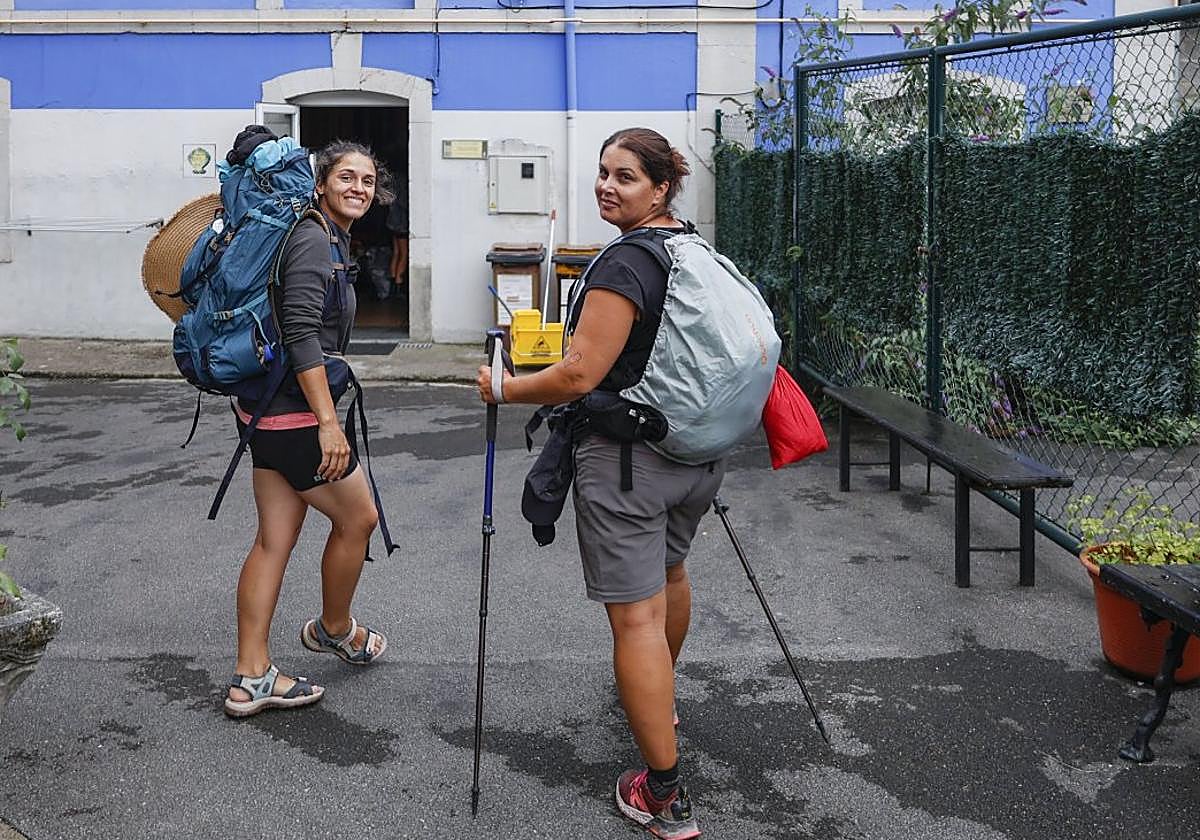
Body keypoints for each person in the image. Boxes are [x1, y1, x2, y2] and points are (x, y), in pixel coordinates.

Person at [476, 127, 714, 840]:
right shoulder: (692, 249)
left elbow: (579, 373)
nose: (608, 186)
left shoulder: (625, 266)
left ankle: (663, 795)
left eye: (626, 177)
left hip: (628, 461)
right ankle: (657, 701)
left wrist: (503, 389)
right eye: (603, 173)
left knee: (634, 619)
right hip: (694, 453)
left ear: (661, 187)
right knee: (670, 577)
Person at [224, 140, 396, 718]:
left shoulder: (325, 236)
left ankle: (251, 678)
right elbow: (301, 333)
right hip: (296, 415)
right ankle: (335, 628)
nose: (359, 188)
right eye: (347, 176)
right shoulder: (312, 239)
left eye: (368, 181)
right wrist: (328, 424)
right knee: (359, 517)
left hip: (265, 411)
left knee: (275, 539)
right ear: (320, 183)